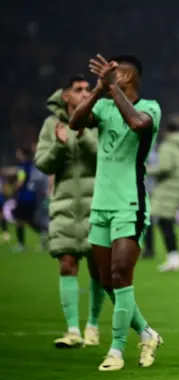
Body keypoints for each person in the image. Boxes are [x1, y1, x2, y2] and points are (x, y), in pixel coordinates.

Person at [69, 54, 163, 372]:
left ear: (128, 77)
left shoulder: (150, 108)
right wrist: (97, 92)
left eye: (114, 73)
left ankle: (117, 351)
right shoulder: (104, 106)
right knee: (105, 279)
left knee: (121, 276)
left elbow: (137, 125)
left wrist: (112, 90)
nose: (109, 76)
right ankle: (147, 332)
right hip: (101, 205)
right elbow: (75, 123)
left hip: (130, 205)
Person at [35, 75, 108, 348]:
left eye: (88, 89)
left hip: (95, 204)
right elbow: (43, 163)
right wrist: (60, 144)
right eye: (78, 90)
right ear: (65, 96)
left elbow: (105, 159)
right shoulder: (51, 125)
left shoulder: (96, 121)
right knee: (66, 264)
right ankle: (72, 330)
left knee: (97, 269)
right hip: (64, 206)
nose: (84, 93)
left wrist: (81, 136)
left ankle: (92, 325)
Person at [145, 121, 179, 272]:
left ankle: (174, 256)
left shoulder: (168, 146)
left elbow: (164, 167)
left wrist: (145, 170)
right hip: (178, 187)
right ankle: (174, 256)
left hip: (166, 189)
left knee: (164, 222)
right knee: (167, 222)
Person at [12, 146, 47, 252]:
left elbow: (21, 181)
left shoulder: (22, 166)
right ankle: (43, 232)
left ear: (22, 154)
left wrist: (14, 189)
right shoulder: (33, 166)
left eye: (18, 152)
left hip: (24, 197)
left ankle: (21, 244)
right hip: (33, 196)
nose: (17, 154)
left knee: (19, 220)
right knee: (30, 220)